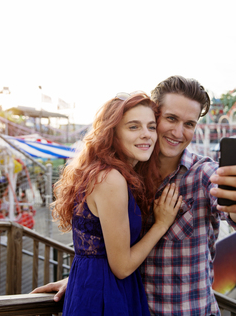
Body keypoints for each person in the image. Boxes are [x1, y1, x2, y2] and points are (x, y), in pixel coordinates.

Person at [32, 76, 236, 316]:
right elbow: (110, 245)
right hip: (130, 306)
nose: (178, 132)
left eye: (189, 124)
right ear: (155, 116)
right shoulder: (125, 175)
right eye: (171, 119)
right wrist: (83, 279)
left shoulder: (203, 174)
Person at [47, 92, 182, 315]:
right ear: (112, 133)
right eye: (133, 127)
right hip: (106, 293)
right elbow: (122, 267)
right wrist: (161, 224)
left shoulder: (105, 173)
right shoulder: (111, 179)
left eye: (151, 127)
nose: (146, 135)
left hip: (93, 285)